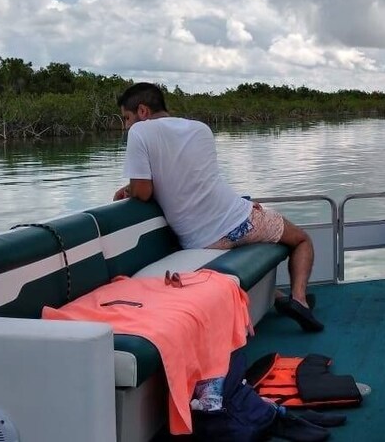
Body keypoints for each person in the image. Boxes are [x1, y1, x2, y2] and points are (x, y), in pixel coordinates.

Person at [113, 82, 323, 332]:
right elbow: (203, 180)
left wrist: (128, 189)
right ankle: (299, 300)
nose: (126, 126)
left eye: (127, 118)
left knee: (279, 244)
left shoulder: (140, 133)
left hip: (199, 239)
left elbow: (144, 191)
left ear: (143, 111)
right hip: (241, 223)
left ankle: (280, 299)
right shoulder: (201, 129)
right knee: (301, 241)